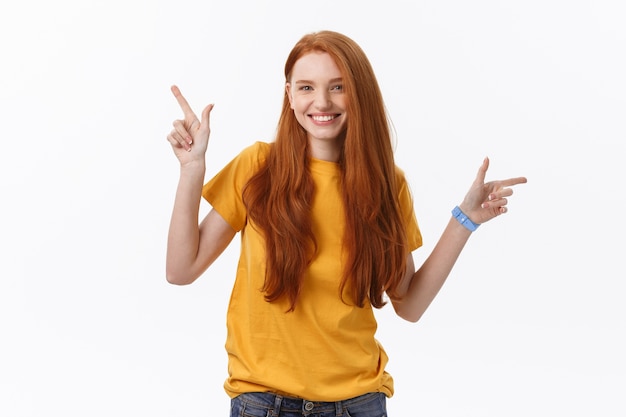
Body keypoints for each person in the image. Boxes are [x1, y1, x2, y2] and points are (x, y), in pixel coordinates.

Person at [165, 30, 527, 417]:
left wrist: (465, 221)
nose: (322, 102)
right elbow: (181, 269)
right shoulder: (257, 168)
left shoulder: (387, 185)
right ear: (289, 95)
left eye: (338, 87)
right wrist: (192, 169)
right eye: (306, 87)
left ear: (359, 93)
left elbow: (410, 304)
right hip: (263, 403)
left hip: (359, 404)